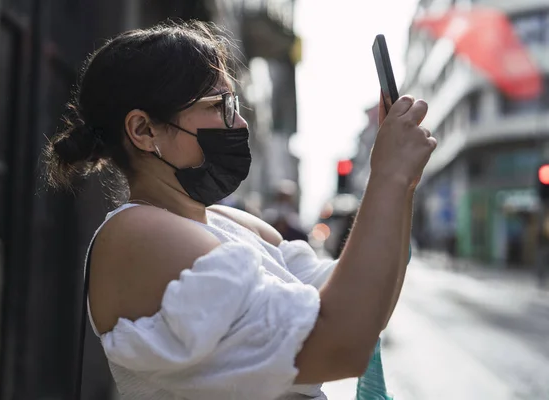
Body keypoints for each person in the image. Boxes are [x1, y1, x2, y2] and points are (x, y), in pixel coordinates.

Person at [43, 21, 435, 400]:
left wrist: (403, 181)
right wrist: (388, 177)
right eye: (221, 105)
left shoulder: (227, 222)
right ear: (144, 130)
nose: (240, 122)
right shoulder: (137, 232)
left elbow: (365, 307)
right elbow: (340, 345)